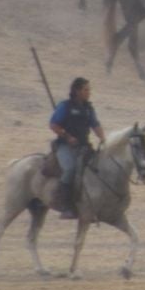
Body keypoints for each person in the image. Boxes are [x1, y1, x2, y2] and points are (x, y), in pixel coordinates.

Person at [49, 76, 106, 219]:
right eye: (86, 90)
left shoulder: (89, 108)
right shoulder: (65, 106)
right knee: (70, 169)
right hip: (65, 146)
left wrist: (103, 138)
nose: (89, 92)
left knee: (95, 169)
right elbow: (53, 124)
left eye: (89, 90)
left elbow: (95, 125)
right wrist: (67, 137)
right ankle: (64, 204)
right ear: (77, 91)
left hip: (84, 146)